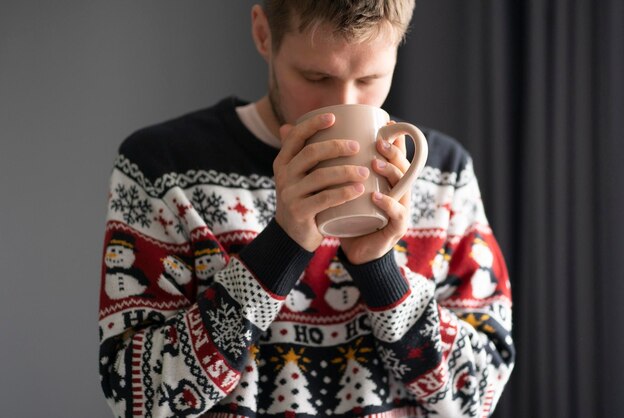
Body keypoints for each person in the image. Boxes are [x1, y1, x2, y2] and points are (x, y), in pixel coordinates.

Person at [98, 1, 515, 417]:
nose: (343, 102)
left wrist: (379, 268)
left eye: (370, 77)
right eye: (316, 76)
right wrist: (283, 245)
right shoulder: (163, 167)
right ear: (263, 34)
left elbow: (477, 394)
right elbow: (136, 398)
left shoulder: (443, 173)